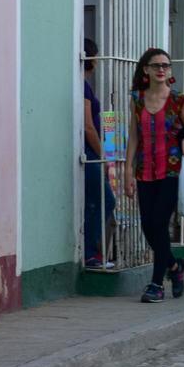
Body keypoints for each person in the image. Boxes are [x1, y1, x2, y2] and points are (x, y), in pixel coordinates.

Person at [124, 48, 184, 304]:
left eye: (165, 65)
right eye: (156, 66)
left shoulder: (178, 100)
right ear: (146, 70)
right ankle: (175, 267)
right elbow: (134, 136)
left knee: (159, 223)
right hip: (145, 170)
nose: (161, 69)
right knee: (147, 225)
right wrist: (128, 170)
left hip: (171, 171)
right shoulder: (137, 99)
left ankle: (156, 284)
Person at [82, 40, 115, 270]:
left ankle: (92, 252)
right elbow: (87, 126)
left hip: (92, 152)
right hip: (90, 153)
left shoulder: (85, 86)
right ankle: (89, 253)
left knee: (95, 202)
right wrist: (104, 155)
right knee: (105, 200)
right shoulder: (82, 87)